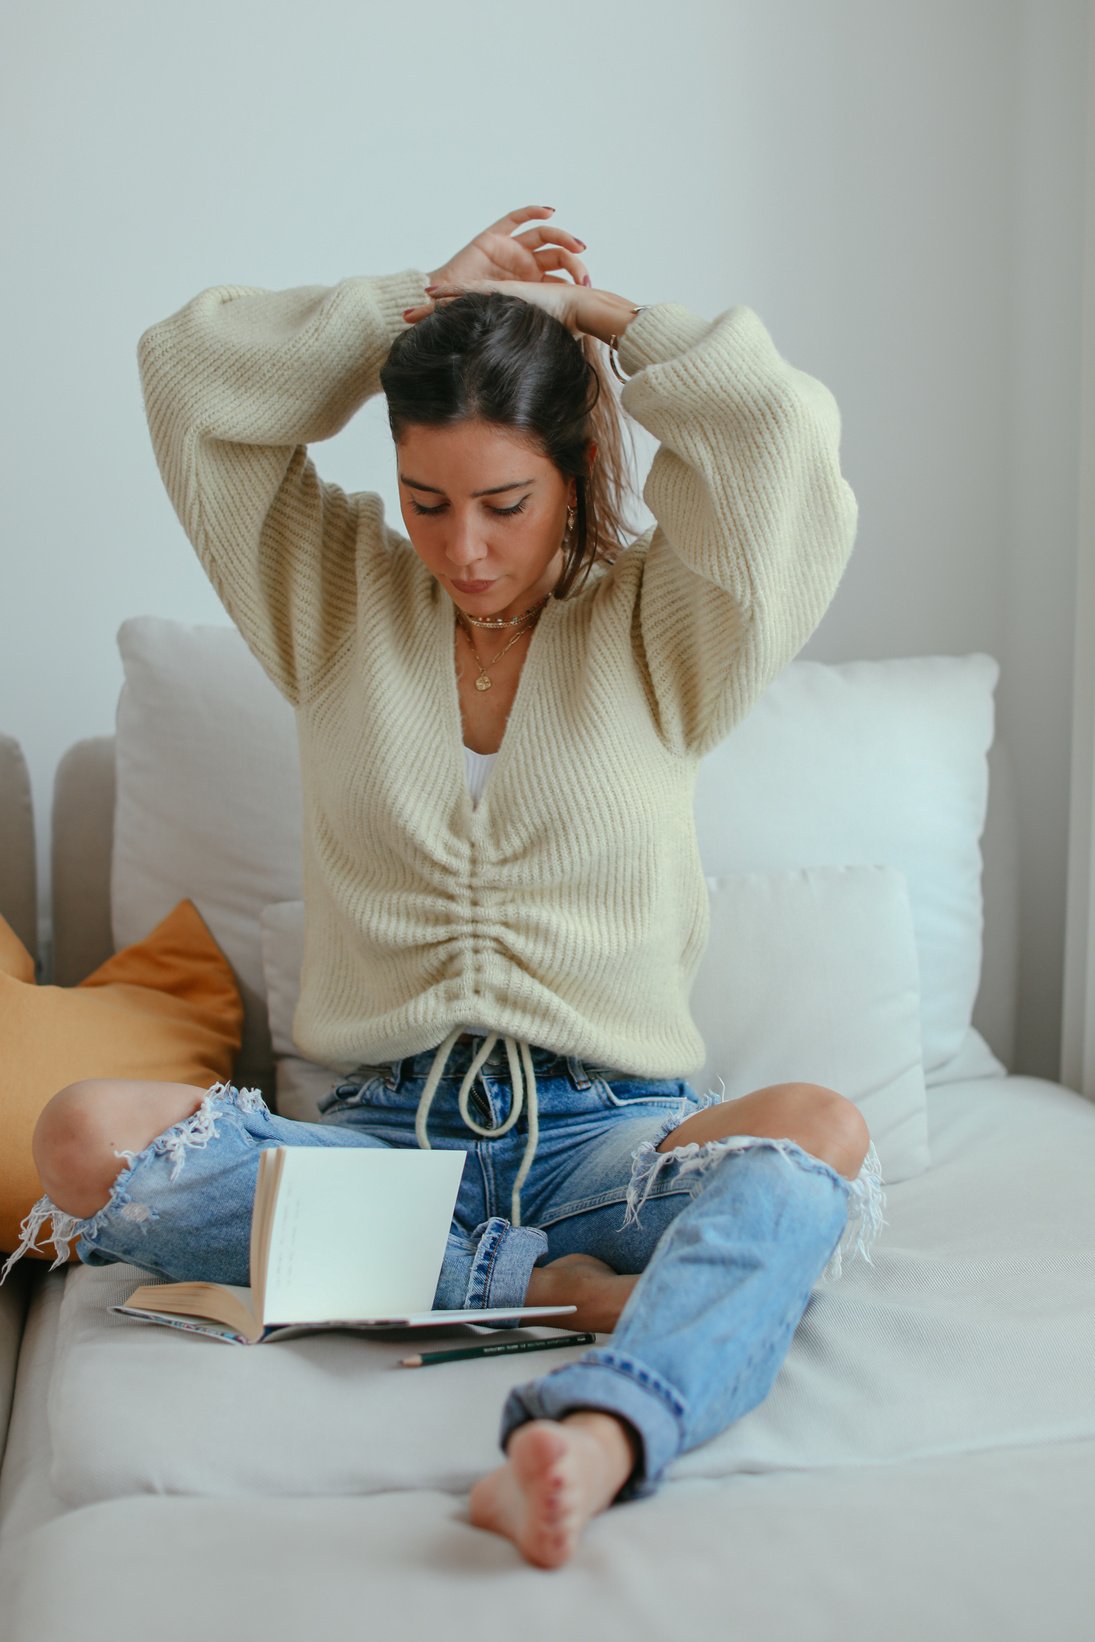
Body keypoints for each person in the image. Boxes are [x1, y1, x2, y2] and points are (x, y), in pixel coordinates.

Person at [5, 204, 885, 1570]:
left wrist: (613, 327)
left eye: (503, 504)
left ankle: (603, 1427)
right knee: (81, 1135)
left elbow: (780, 437)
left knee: (820, 1135)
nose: (462, 546)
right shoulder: (332, 593)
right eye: (427, 501)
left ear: (579, 474)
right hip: (381, 1141)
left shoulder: (673, 626)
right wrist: (405, 307)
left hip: (605, 1140)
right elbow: (186, 371)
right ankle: (534, 1292)